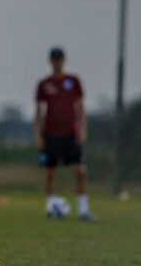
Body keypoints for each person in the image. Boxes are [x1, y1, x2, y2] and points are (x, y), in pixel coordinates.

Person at [34, 47, 95, 221]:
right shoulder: (44, 84)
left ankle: (83, 211)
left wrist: (83, 129)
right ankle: (50, 207)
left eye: (59, 59)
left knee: (80, 170)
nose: (57, 62)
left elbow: (81, 107)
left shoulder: (73, 81)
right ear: (50, 61)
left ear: (64, 61)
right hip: (51, 133)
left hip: (70, 133)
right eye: (54, 59)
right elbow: (39, 111)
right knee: (50, 172)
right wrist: (37, 135)